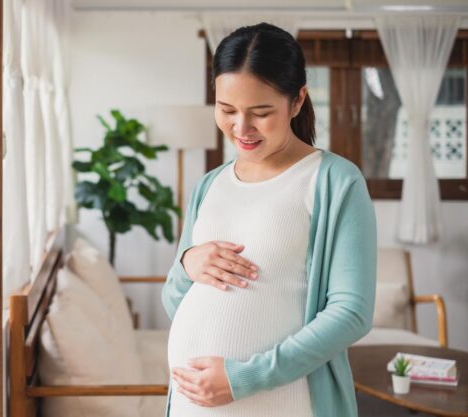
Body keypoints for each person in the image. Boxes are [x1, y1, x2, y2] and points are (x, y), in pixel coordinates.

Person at [161, 22, 377, 417]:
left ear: (297, 102)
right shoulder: (209, 185)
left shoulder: (334, 181)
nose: (241, 128)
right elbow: (174, 300)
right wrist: (188, 262)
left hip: (282, 402)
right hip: (195, 406)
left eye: (261, 113)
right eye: (227, 110)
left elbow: (352, 314)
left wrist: (245, 376)